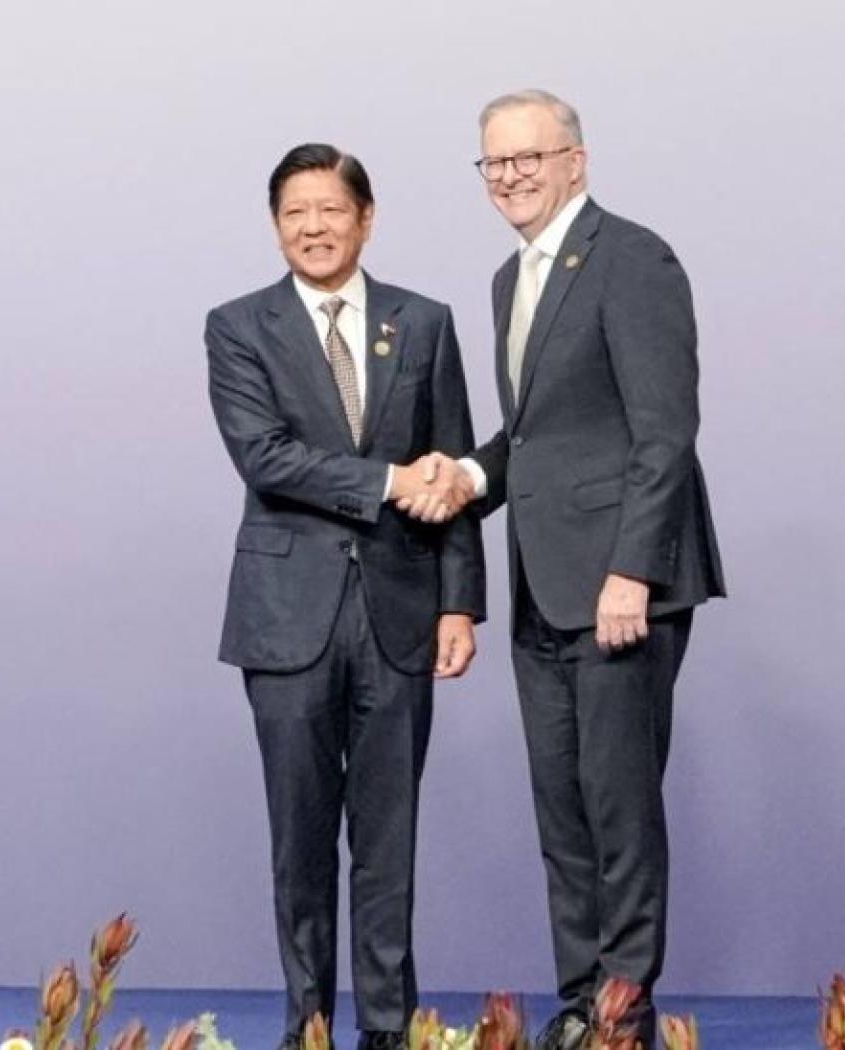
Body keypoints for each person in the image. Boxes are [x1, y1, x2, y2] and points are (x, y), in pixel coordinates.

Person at [405, 90, 725, 1050]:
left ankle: (624, 1013)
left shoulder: (634, 258)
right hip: (543, 588)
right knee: (564, 809)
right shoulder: (512, 279)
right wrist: (464, 475)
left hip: (622, 590)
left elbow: (665, 430)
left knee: (620, 806)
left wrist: (633, 569)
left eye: (528, 158)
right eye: (493, 163)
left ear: (575, 162)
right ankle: (581, 1002)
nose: (510, 177)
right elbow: (539, 439)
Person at [205, 142, 484, 1050]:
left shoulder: (426, 321)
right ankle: (309, 1028)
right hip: (286, 620)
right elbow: (266, 457)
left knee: (388, 843)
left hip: (402, 617)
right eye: (295, 213)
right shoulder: (238, 326)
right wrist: (390, 483)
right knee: (300, 841)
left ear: (366, 218)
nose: (313, 228)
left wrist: (458, 605)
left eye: (330, 210)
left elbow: (457, 468)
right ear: (276, 224)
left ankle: (391, 1033)